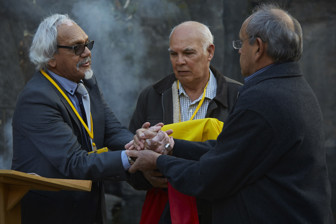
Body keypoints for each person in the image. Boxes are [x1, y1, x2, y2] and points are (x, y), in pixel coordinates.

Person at [126, 4, 334, 223]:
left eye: (241, 42)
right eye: (174, 54)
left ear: (258, 47)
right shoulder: (293, 87)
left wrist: (158, 161)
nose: (239, 50)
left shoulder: (261, 98)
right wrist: (171, 145)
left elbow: (211, 177)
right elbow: (228, 148)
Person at [11, 14, 136, 224]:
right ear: (50, 57)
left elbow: (113, 131)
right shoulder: (37, 99)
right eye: (77, 47)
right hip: (53, 215)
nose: (87, 52)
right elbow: (74, 162)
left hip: (90, 208)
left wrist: (142, 141)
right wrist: (133, 156)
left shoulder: (86, 79)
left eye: (87, 44)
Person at [128, 21, 242, 223]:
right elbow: (128, 161)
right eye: (174, 54)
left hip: (218, 211)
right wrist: (146, 176)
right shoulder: (152, 96)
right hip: (166, 211)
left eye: (188, 53)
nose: (179, 61)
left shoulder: (238, 96)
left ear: (210, 51)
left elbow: (242, 162)